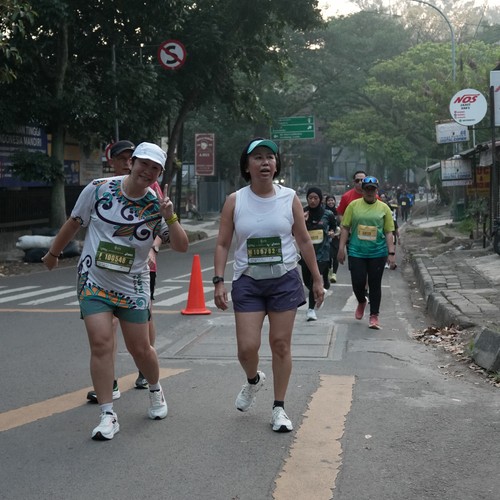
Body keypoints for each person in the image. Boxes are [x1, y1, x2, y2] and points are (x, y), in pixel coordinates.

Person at [42, 142, 189, 440]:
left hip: (132, 284)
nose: (147, 171)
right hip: (93, 280)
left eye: (155, 168)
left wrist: (170, 216)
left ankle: (155, 389)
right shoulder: (98, 189)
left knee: (140, 349)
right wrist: (53, 253)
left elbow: (181, 245)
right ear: (131, 163)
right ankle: (107, 414)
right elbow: (74, 223)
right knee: (100, 343)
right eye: (143, 164)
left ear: (159, 174)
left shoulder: (156, 205)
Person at [213, 138, 324, 433]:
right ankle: (253, 380)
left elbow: (303, 240)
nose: (265, 162)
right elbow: (223, 243)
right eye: (258, 157)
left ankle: (279, 408)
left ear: (276, 165)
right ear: (247, 166)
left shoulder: (289, 198)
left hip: (284, 279)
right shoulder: (235, 201)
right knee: (247, 348)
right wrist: (218, 281)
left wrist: (316, 278)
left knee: (280, 344)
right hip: (248, 281)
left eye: (270, 157)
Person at [85, 140, 161, 403]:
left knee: (143, 321)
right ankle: (111, 382)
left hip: (139, 269)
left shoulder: (151, 188)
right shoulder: (102, 188)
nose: (127, 163)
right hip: (103, 272)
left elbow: (163, 224)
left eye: (131, 157)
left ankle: (145, 368)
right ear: (116, 162)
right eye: (123, 159)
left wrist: (154, 248)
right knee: (106, 328)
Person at [337, 176, 396, 330]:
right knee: (358, 282)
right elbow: (345, 227)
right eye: (367, 189)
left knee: (375, 284)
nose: (370, 192)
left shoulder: (384, 208)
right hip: (356, 251)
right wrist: (341, 248)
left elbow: (389, 231)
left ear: (377, 190)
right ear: (362, 190)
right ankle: (362, 301)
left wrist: (391, 253)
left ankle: (374, 315)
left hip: (378, 252)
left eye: (372, 189)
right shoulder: (353, 206)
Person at [300, 187, 336, 321]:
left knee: (313, 280)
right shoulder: (302, 212)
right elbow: (293, 231)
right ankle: (322, 288)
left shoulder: (328, 214)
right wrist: (302, 221)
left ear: (320, 199)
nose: (313, 201)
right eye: (310, 198)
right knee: (307, 281)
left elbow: (334, 227)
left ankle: (310, 309)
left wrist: (332, 232)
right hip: (306, 253)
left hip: (322, 253)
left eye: (316, 198)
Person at [325, 195, 340, 283]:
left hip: (337, 237)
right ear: (326, 202)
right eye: (329, 200)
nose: (331, 202)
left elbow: (343, 223)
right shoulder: (324, 212)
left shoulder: (338, 212)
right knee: (328, 256)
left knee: (335, 256)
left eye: (332, 200)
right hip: (327, 237)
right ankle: (329, 270)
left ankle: (334, 273)